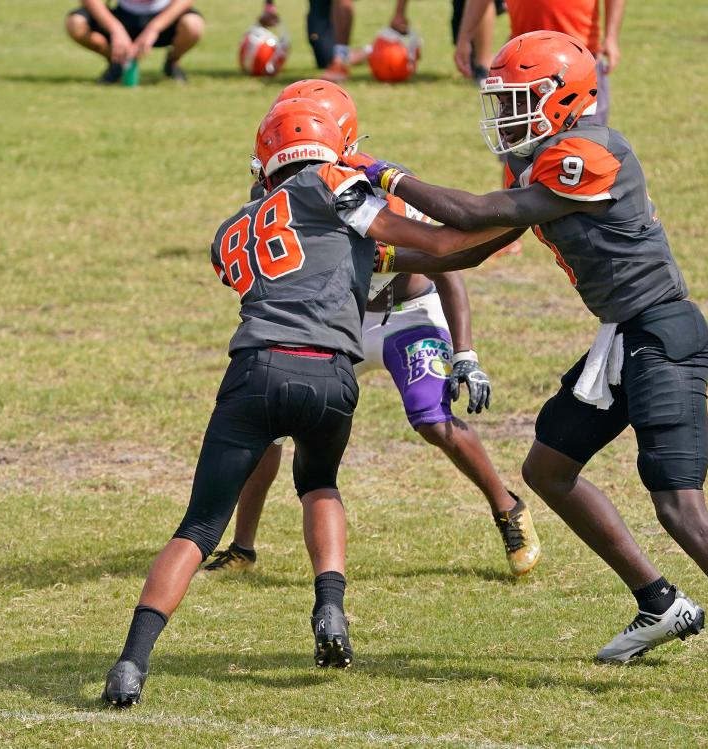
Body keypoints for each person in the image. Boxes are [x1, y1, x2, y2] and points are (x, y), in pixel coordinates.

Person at [355, 31, 708, 702]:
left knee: (680, 508)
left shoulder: (588, 153)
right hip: (625, 335)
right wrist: (379, 256)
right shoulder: (546, 164)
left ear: (565, 97)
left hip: (662, 335)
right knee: (548, 469)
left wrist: (379, 170)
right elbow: (458, 248)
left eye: (521, 101)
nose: (508, 116)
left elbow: (469, 211)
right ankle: (658, 602)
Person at [102, 97, 512, 706]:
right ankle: (330, 610)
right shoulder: (332, 184)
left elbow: (293, 257)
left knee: (197, 526)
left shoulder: (230, 231)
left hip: (255, 370)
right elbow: (450, 245)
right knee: (319, 484)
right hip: (329, 374)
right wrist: (530, 208)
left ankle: (131, 663)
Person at [202, 80, 542, 580]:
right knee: (269, 425)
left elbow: (445, 260)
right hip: (335, 322)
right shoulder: (275, 194)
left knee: (431, 416)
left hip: (405, 313)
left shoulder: (377, 190)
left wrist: (466, 351)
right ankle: (243, 546)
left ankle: (507, 506)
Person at [454, 0, 624, 125]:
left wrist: (611, 36)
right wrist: (465, 37)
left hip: (578, 64)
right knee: (517, 150)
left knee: (584, 145)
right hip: (524, 65)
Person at [66, 0, 203, 84]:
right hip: (122, 15)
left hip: (164, 16)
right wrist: (115, 29)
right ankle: (117, 61)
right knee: (75, 23)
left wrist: (154, 28)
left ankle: (173, 62)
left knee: (193, 24)